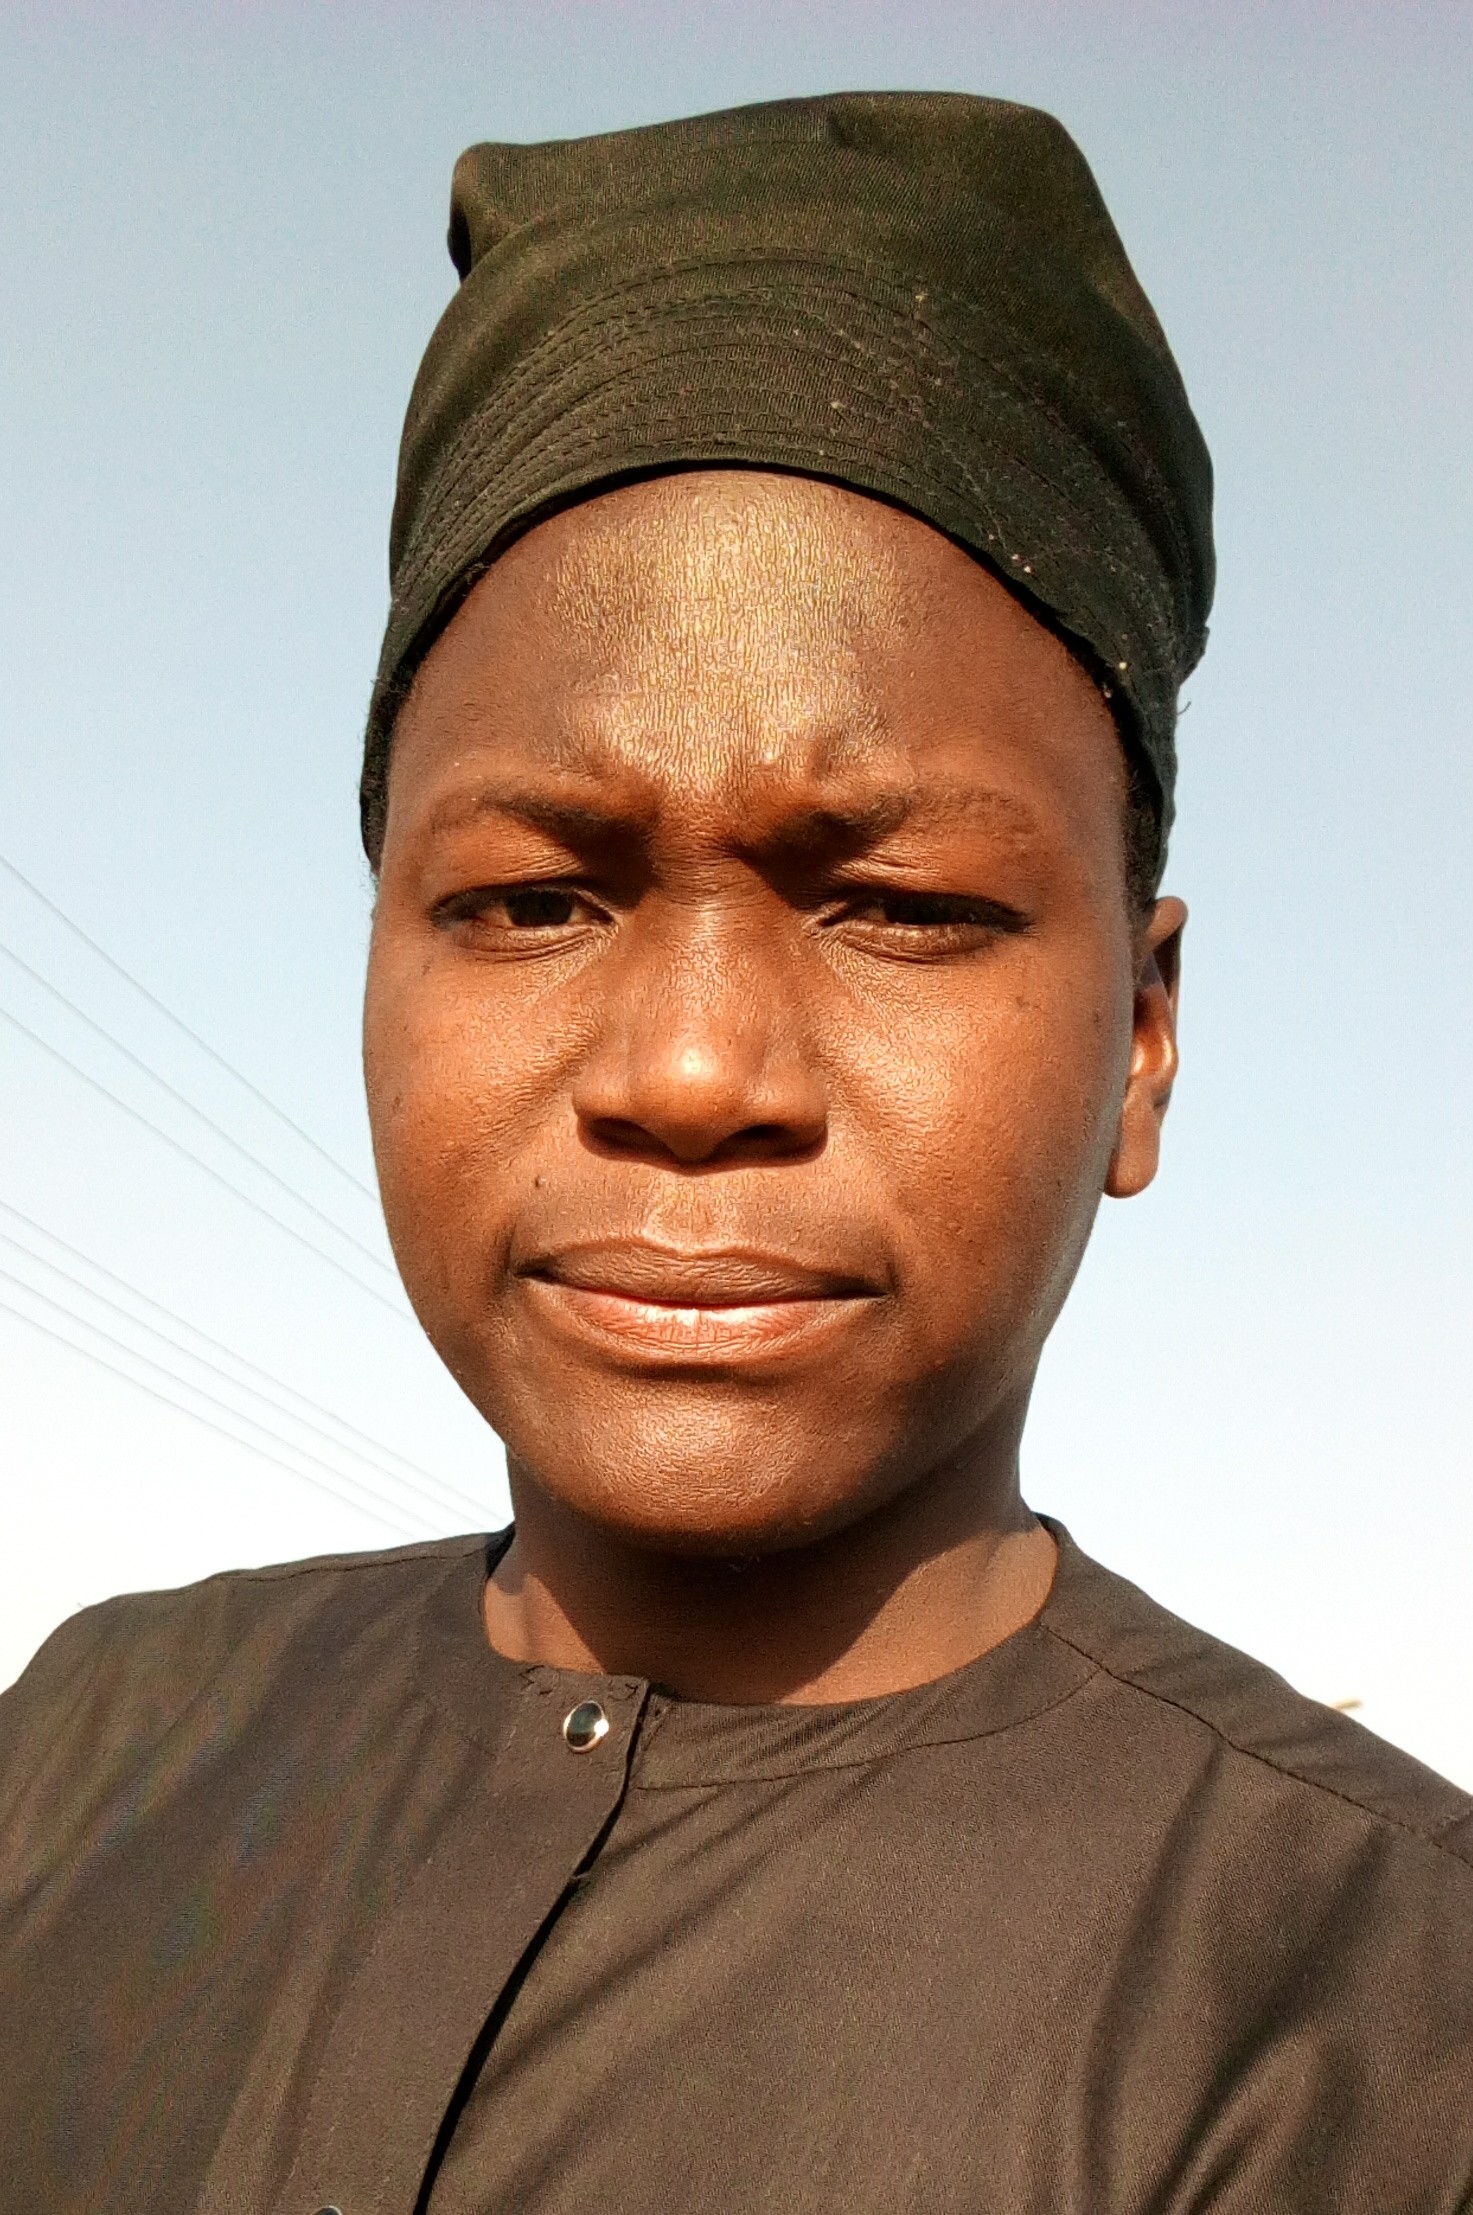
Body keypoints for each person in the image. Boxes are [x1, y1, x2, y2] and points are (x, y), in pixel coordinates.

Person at [1, 92, 1469, 2215]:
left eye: (899, 906)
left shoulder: (1373, 2024)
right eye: (532, 899)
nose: (690, 1071)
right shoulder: (94, 1742)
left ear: (1141, 1043)